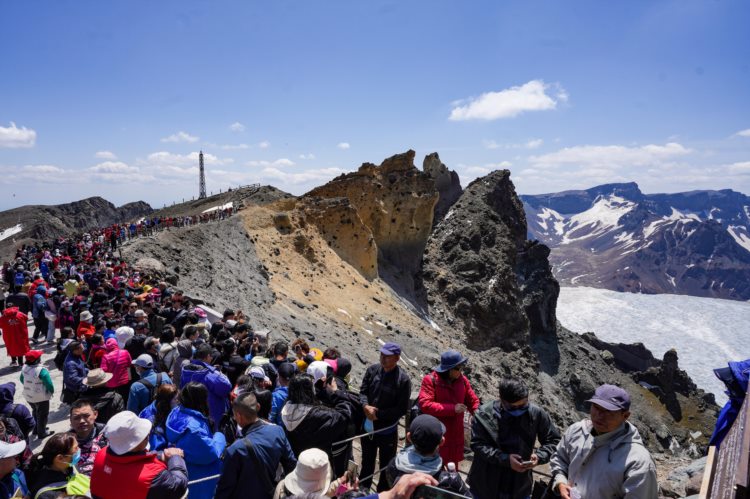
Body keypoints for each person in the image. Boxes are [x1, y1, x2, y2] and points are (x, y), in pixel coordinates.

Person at [549, 384, 658, 499]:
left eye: (609, 411)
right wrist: (561, 482)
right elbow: (560, 458)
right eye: (596, 407)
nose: (599, 415)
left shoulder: (639, 461)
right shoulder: (577, 431)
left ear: (625, 415)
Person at [468, 377, 560, 499]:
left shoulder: (536, 414)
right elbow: (478, 445)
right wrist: (505, 459)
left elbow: (553, 441)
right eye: (513, 407)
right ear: (502, 400)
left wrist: (539, 456)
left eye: (523, 405)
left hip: (519, 486)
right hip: (486, 484)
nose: (519, 410)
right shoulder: (484, 414)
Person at [215, 391, 297, 499]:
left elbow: (223, 491)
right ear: (258, 406)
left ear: (239, 416)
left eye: (234, 415)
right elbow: (292, 465)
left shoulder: (235, 449)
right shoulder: (278, 431)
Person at [90, 411, 189, 499]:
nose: (147, 435)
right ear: (135, 444)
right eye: (144, 435)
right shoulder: (153, 476)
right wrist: (175, 458)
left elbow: (128, 462)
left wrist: (159, 456)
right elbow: (178, 486)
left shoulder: (101, 454)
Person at [359, 342, 412, 492]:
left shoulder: (403, 380)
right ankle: (363, 492)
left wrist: (378, 414)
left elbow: (401, 409)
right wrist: (365, 406)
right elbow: (363, 392)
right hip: (368, 428)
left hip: (387, 432)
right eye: (382, 355)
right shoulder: (372, 370)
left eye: (387, 356)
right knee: (367, 462)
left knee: (385, 467)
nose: (383, 358)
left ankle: (382, 494)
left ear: (397, 358)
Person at [418, 350, 479, 466]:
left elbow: (472, 400)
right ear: (448, 369)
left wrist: (477, 412)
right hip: (438, 435)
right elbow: (425, 404)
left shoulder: (463, 380)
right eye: (458, 368)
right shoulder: (430, 380)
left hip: (456, 436)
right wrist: (452, 409)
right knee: (435, 469)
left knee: (452, 471)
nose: (461, 371)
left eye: (462, 367)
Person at [165, 382, 226, 499]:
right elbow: (211, 452)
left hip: (184, 470)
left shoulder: (176, 412)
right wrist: (220, 435)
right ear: (201, 400)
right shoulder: (194, 429)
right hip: (199, 479)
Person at [384, 414, 470, 495]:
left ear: (409, 437)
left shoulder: (394, 464)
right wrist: (453, 479)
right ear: (442, 441)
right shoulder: (449, 480)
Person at [281, 374, 350, 464]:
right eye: (312, 387)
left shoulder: (287, 407)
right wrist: (337, 392)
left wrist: (318, 386)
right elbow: (344, 416)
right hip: (317, 463)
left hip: (298, 458)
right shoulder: (318, 415)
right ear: (309, 391)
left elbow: (304, 399)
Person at [179, 344, 232, 430]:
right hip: (210, 417)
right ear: (207, 356)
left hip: (190, 415)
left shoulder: (185, 371)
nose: (211, 359)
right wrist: (219, 374)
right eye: (211, 356)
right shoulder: (210, 375)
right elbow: (226, 388)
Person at [272, 448, 354, 499]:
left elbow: (316, 492)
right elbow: (318, 492)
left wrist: (339, 482)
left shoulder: (281, 487)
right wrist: (349, 495)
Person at [26, 433, 90, 499]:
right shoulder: (46, 494)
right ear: (60, 458)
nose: (79, 450)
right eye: (76, 448)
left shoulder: (69, 466)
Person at [68, 399, 107, 477]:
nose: (82, 421)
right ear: (71, 420)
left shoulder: (108, 434)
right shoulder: (66, 443)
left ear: (95, 414)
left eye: (86, 416)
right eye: (76, 418)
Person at [20, 350, 54, 439]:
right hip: (41, 397)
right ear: (38, 359)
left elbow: (21, 379)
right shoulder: (41, 370)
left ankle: (36, 429)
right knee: (42, 415)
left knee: (35, 411)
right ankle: (42, 433)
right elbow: (49, 383)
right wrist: (51, 391)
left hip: (28, 396)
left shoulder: (24, 368)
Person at [139, 384, 178, 452]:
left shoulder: (165, 408)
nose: (178, 401)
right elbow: (155, 447)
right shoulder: (150, 418)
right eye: (175, 399)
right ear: (167, 401)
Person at [100, 337, 132, 403]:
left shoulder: (106, 356)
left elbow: (103, 370)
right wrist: (129, 377)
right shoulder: (125, 352)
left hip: (111, 384)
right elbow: (129, 364)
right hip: (124, 381)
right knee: (125, 398)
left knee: (113, 401)